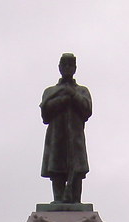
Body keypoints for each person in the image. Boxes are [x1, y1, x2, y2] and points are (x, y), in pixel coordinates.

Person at [40, 53, 92, 204]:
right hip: (56, 137)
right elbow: (46, 113)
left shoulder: (82, 91)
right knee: (56, 168)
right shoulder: (50, 91)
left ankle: (75, 200)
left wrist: (73, 95)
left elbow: (87, 110)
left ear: (75, 68)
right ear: (59, 68)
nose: (68, 68)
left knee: (76, 168)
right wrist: (64, 98)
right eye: (65, 65)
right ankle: (58, 199)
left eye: (71, 65)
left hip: (75, 138)